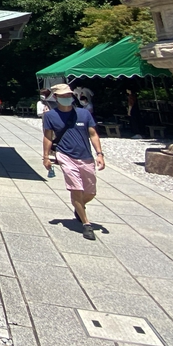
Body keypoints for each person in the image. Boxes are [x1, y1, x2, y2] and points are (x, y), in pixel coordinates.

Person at [42, 83, 105, 241]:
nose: (67, 99)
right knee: (76, 189)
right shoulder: (50, 116)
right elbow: (48, 137)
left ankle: (79, 206)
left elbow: (93, 134)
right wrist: (45, 156)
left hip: (85, 156)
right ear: (56, 98)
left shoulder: (83, 114)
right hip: (65, 155)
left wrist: (99, 154)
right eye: (63, 96)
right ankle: (86, 224)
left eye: (68, 96)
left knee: (90, 192)